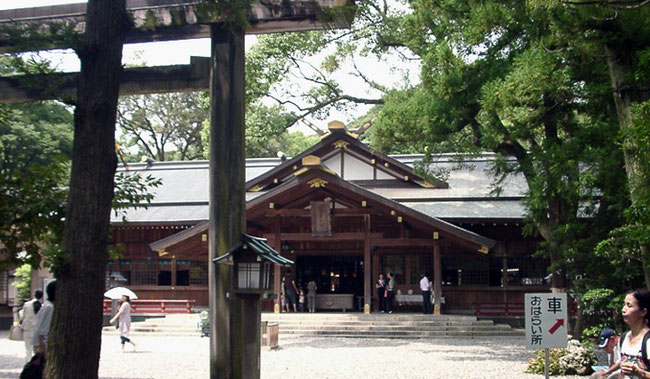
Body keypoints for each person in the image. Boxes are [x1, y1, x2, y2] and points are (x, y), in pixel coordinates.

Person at [618, 289, 650, 379]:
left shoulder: (648, 341)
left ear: (643, 312)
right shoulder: (623, 338)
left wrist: (639, 372)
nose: (623, 309)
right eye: (624, 305)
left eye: (629, 305)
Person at [31, 280, 55, 357]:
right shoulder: (49, 307)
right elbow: (42, 329)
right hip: (41, 344)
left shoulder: (47, 305)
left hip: (39, 342)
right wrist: (41, 346)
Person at [19, 289, 43, 363]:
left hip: (27, 329)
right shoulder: (42, 306)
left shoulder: (27, 304)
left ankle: (28, 364)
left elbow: (22, 316)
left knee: (28, 349)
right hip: (37, 331)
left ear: (34, 294)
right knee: (36, 349)